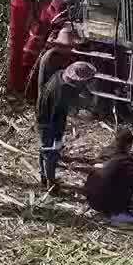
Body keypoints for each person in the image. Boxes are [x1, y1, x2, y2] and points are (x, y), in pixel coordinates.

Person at [37, 59, 95, 191]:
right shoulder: (60, 92)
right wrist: (56, 138)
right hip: (48, 124)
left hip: (49, 119)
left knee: (45, 149)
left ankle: (44, 175)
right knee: (49, 152)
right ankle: (50, 183)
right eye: (84, 81)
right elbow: (56, 116)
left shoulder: (60, 74)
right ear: (77, 80)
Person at [84, 126, 133, 224]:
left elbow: (98, 165)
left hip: (91, 199)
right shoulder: (125, 161)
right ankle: (117, 213)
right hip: (103, 203)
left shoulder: (106, 151)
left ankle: (110, 205)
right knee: (130, 182)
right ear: (128, 145)